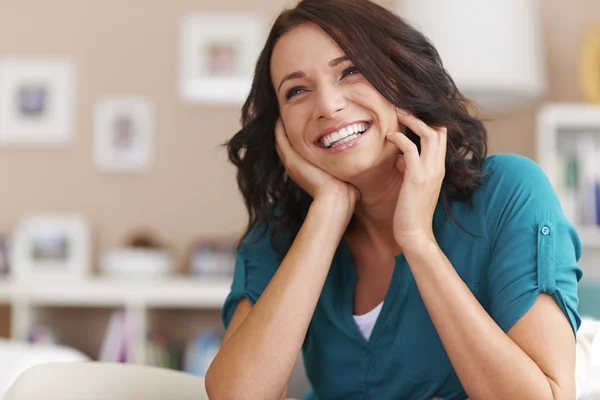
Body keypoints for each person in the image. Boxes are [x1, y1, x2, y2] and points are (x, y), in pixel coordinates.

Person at [205, 0, 583, 399]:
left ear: (399, 77)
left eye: (350, 71)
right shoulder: (283, 227)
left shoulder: (510, 192)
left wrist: (417, 240)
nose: (329, 106)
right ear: (281, 127)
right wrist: (329, 210)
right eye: (297, 91)